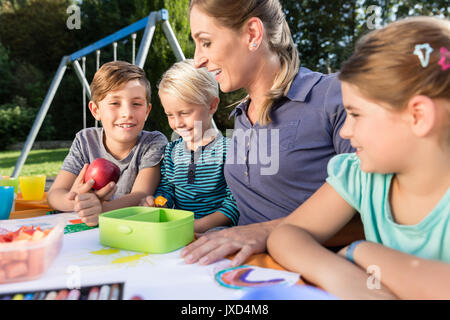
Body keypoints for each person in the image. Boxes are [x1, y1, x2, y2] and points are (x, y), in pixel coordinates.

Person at [267, 17, 450, 299]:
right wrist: (342, 276)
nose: (345, 130)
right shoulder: (360, 175)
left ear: (418, 116)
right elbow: (286, 234)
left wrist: (363, 251)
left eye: (355, 114)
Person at [181, 0, 355, 267]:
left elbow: (381, 218)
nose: (197, 60)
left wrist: (267, 232)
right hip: (239, 271)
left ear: (252, 34)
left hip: (315, 275)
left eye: (206, 42)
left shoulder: (333, 96)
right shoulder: (239, 117)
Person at [47, 61, 168, 226]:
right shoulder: (85, 140)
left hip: (129, 229)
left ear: (147, 111)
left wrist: (100, 210)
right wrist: (77, 202)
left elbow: (141, 194)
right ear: (96, 110)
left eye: (137, 104)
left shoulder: (153, 142)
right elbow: (54, 194)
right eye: (115, 103)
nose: (127, 113)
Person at [140, 59, 239, 233]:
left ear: (212, 105)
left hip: (217, 230)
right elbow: (167, 189)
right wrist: (158, 202)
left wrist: (197, 227)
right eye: (170, 115)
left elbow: (234, 204)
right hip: (179, 228)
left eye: (184, 113)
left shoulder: (229, 151)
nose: (177, 123)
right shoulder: (171, 151)